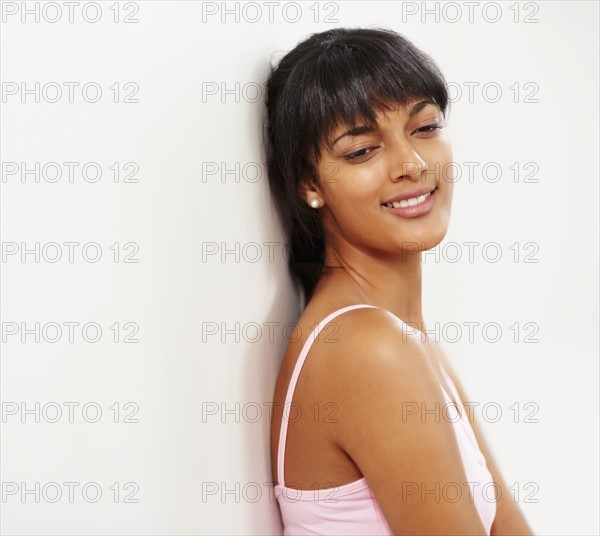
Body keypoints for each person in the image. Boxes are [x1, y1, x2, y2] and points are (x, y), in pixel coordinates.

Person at [264, 27, 533, 535]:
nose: (410, 164)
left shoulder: (402, 336)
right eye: (362, 150)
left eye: (425, 127)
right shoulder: (369, 349)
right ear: (308, 184)